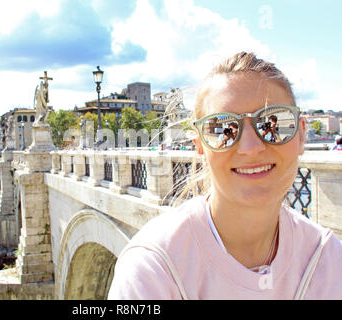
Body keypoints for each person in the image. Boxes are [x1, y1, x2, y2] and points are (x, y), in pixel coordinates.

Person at [108, 52, 342, 300]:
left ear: (301, 135)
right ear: (199, 146)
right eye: (223, 129)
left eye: (272, 123)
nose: (251, 148)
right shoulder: (152, 270)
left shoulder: (328, 261)